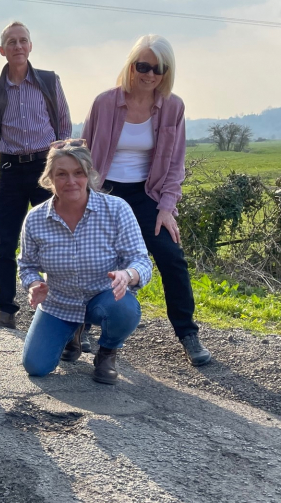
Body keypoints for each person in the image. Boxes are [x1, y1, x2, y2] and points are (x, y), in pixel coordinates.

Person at [82, 34, 211, 367]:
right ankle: (77, 326)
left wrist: (167, 207)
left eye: (159, 68)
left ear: (167, 72)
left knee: (171, 256)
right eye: (143, 66)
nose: (150, 74)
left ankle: (187, 334)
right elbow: (85, 152)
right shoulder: (105, 103)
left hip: (146, 194)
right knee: (90, 256)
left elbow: (176, 163)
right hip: (104, 191)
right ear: (131, 66)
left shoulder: (173, 107)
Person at [19, 143, 153, 384]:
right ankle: (73, 332)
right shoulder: (35, 219)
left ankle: (107, 352)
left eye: (78, 173)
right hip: (59, 303)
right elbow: (27, 266)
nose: (71, 180)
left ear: (89, 174)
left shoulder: (116, 209)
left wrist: (128, 274)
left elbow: (141, 260)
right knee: (35, 366)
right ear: (50, 178)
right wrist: (34, 284)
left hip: (103, 298)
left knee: (124, 309)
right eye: (62, 174)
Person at [0, 21, 73, 330]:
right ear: (2, 50)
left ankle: (62, 312)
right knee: (4, 243)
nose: (18, 46)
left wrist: (54, 161)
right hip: (9, 171)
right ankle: (6, 311)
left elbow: (63, 125)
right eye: (11, 42)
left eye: (23, 41)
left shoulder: (48, 81)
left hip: (45, 169)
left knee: (56, 239)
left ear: (30, 46)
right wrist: (10, 158)